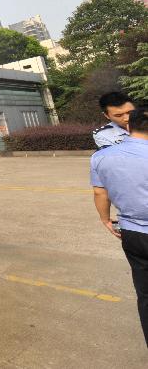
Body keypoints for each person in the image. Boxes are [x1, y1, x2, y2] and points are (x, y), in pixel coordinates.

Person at [90, 108, 148, 346]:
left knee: (145, 295)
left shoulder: (102, 157)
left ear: (127, 127)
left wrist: (105, 219)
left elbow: (99, 192)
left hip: (133, 233)